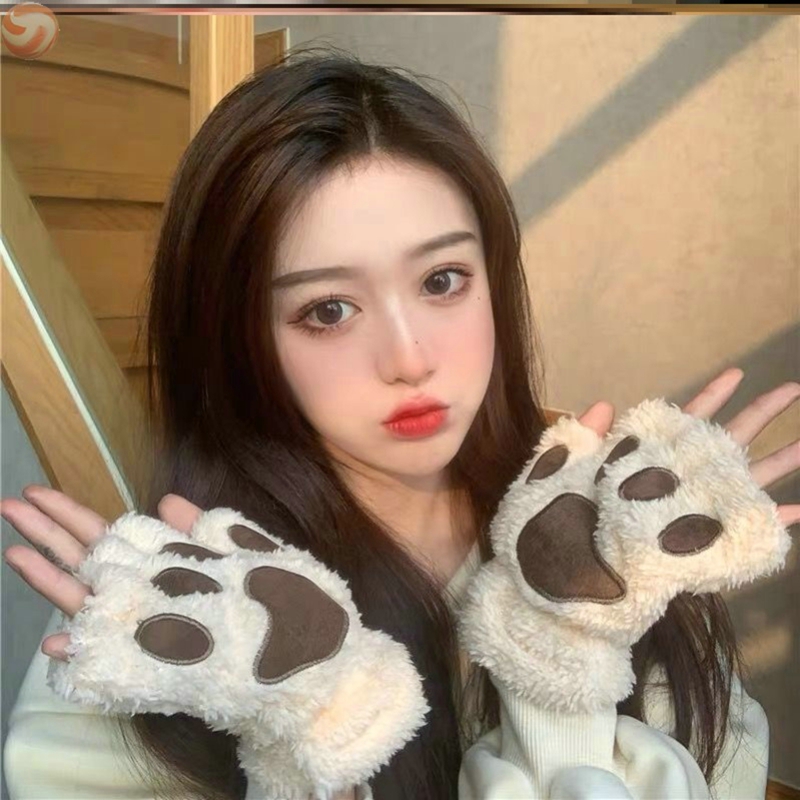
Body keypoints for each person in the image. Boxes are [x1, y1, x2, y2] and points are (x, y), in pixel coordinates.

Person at [2, 46, 798, 800]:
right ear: (236, 340)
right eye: (328, 310)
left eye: (443, 280)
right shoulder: (167, 619)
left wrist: (565, 652)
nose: (410, 358)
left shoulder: (613, 535)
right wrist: (306, 741)